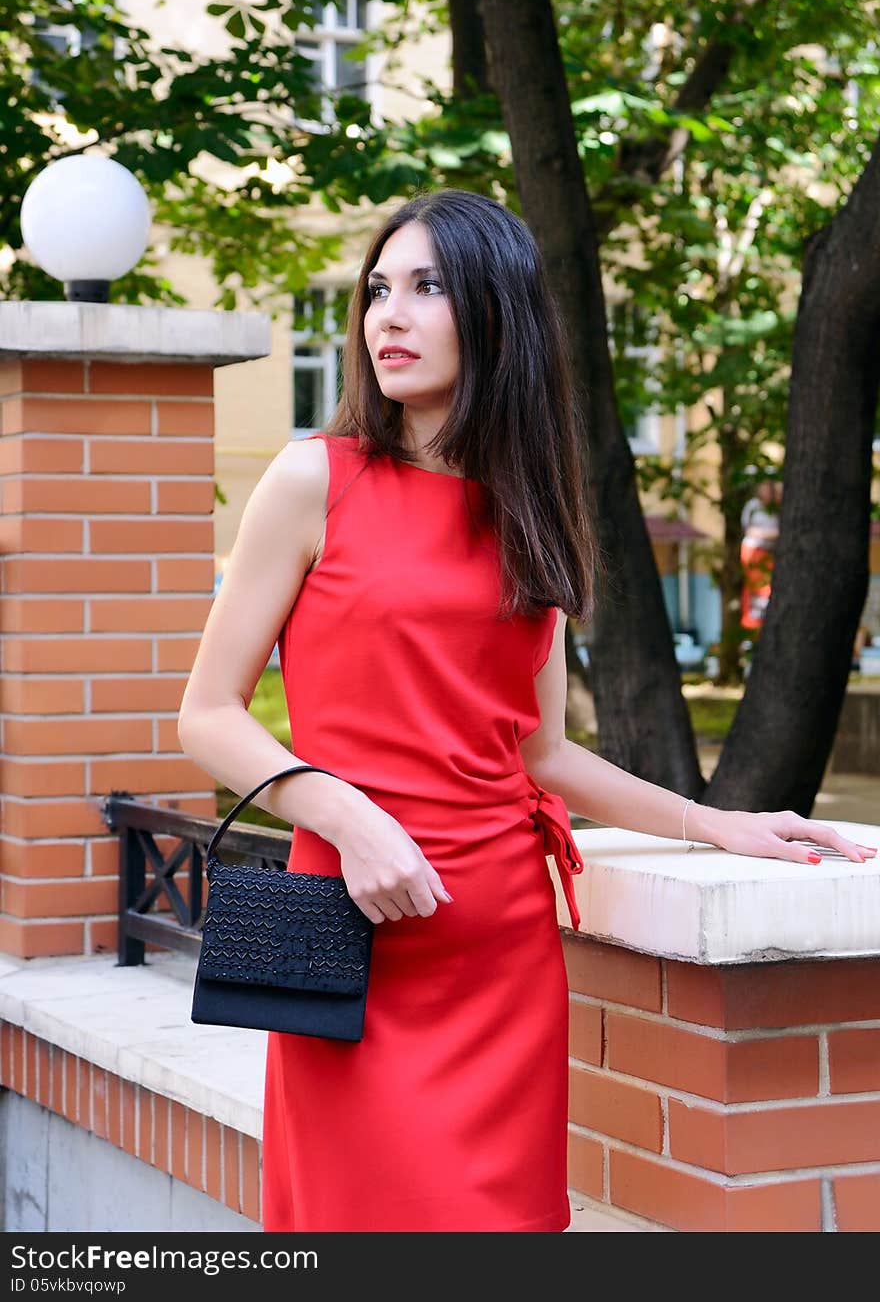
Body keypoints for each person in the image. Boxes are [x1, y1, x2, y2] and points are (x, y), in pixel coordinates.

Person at [177, 189, 875, 1234]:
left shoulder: (532, 511)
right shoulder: (314, 480)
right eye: (377, 290)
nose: (386, 316)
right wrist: (348, 815)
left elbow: (541, 749)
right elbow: (209, 714)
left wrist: (716, 821)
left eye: (427, 287)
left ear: (497, 313)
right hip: (355, 931)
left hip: (498, 944)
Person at [740, 478, 782, 630]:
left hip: (770, 553)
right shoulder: (753, 506)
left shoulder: (777, 508)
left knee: (766, 589)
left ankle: (759, 621)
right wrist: (772, 535)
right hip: (755, 551)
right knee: (758, 588)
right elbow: (749, 530)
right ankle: (753, 623)